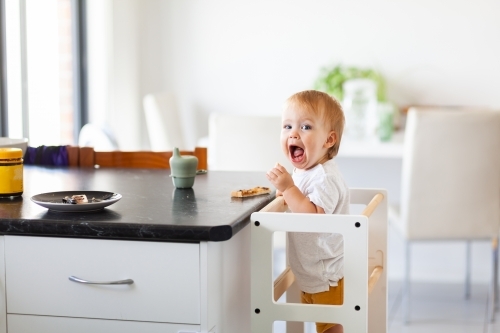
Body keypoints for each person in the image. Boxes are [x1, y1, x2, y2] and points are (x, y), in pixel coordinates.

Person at [266, 90, 350, 333]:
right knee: (319, 322)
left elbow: (312, 218)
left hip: (325, 274)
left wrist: (289, 188)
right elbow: (299, 200)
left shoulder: (324, 177)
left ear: (329, 140)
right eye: (287, 126)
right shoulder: (306, 171)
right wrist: (285, 193)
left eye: (305, 127)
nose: (293, 133)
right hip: (311, 269)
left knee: (330, 326)